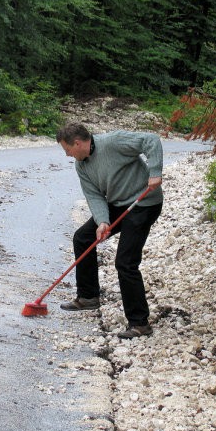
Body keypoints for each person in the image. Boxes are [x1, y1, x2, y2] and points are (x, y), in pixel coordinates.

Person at [56, 122, 163, 339]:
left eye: (67, 149)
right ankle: (88, 297)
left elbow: (151, 140)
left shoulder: (113, 142)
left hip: (144, 203)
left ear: (77, 143)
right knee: (83, 238)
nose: (67, 154)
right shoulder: (81, 165)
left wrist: (155, 172)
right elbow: (94, 195)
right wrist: (102, 221)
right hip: (118, 203)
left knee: (125, 262)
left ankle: (139, 323)